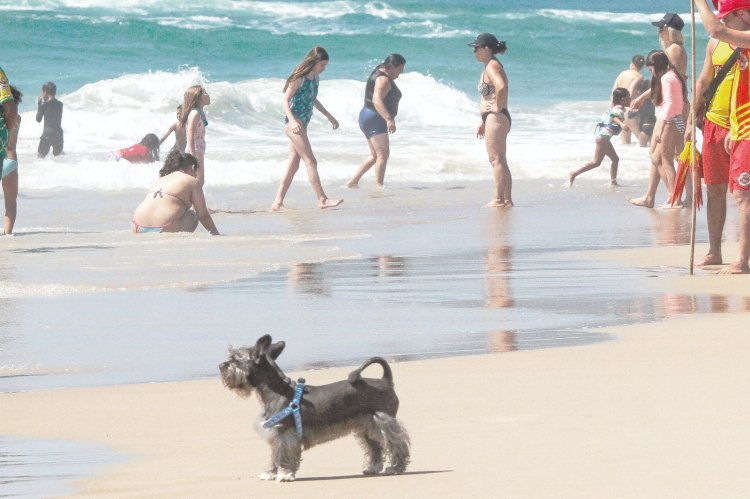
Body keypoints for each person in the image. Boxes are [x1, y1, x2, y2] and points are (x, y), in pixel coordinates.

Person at [686, 0, 747, 267]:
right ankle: (714, 250)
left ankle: (743, 255)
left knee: (742, 193)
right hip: (714, 122)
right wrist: (691, 119)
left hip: (741, 125)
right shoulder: (716, 44)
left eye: (726, 15)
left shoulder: (741, 39)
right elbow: (703, 81)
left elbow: (715, 29)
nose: (722, 19)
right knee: (714, 189)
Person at [271, 46, 343, 211]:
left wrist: (329, 116)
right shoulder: (300, 78)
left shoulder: (315, 78)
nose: (323, 69)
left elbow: (313, 100)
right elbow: (285, 100)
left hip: (302, 124)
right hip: (294, 125)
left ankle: (277, 202)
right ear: (314, 62)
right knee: (311, 161)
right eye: (322, 65)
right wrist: (293, 121)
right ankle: (322, 199)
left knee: (293, 165)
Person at [629, 51, 687, 209]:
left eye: (650, 69)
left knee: (666, 161)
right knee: (656, 158)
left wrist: (662, 126)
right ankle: (672, 195)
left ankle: (675, 198)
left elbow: (669, 103)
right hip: (674, 120)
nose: (650, 72)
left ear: (655, 66)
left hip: (670, 121)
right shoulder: (671, 75)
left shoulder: (668, 78)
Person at [347, 53, 406, 189]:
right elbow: (377, 100)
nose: (399, 74)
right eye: (399, 70)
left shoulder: (381, 70)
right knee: (383, 154)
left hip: (368, 116)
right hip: (375, 117)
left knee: (375, 155)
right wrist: (389, 119)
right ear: (391, 67)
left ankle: (353, 182)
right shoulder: (383, 79)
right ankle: (379, 186)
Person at [131, 150, 219, 235]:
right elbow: (203, 215)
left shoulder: (162, 179)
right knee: (193, 214)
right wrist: (216, 235)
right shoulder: (192, 181)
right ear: (192, 167)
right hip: (164, 228)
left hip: (137, 226)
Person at [470, 33, 513, 208]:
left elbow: (501, 86)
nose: (474, 52)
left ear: (487, 49)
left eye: (476, 48)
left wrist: (496, 108)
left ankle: (498, 199)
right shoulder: (490, 65)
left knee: (496, 159)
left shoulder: (492, 66)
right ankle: (507, 199)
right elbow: (492, 93)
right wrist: (484, 121)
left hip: (497, 116)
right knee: (500, 159)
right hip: (494, 118)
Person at [569, 88, 630, 186]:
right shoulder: (617, 110)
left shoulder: (617, 108)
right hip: (603, 138)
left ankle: (613, 182)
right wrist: (622, 124)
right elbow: (613, 116)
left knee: (615, 159)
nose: (630, 98)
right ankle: (574, 173)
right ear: (622, 99)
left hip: (603, 137)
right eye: (628, 97)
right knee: (596, 162)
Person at [612, 55, 645, 144]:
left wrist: (613, 110)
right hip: (630, 110)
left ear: (632, 64)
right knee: (642, 140)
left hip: (619, 111)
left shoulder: (622, 74)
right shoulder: (639, 76)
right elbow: (630, 91)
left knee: (625, 143)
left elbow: (613, 92)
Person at [2, 84, 21, 235]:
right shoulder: (17, 118)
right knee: (10, 204)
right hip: (11, 161)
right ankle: (8, 234)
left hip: (1, 158)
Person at [183, 85, 210, 185]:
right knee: (197, 181)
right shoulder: (195, 113)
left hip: (198, 150)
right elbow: (190, 134)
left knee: (198, 181)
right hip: (194, 150)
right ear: (198, 97)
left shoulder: (200, 112)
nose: (208, 94)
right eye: (205, 92)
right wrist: (193, 155)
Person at [35, 81, 64, 158]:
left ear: (45, 92)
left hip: (48, 133)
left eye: (42, 92)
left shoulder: (44, 105)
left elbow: (38, 119)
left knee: (40, 157)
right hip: (58, 133)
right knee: (59, 159)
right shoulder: (60, 104)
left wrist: (39, 105)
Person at [631, 79, 656, 147]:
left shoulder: (641, 103)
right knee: (652, 149)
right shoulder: (655, 101)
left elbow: (631, 115)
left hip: (645, 127)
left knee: (642, 148)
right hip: (654, 127)